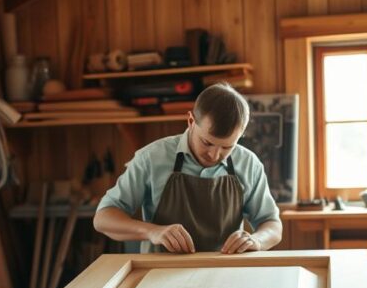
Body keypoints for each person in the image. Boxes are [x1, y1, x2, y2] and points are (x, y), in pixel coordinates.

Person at [94, 83, 282, 254]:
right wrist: (152, 231)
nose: (214, 155)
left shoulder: (249, 164)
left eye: (227, 147)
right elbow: (103, 218)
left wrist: (257, 240)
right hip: (160, 275)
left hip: (225, 275)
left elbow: (272, 224)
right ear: (191, 121)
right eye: (207, 142)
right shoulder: (151, 158)